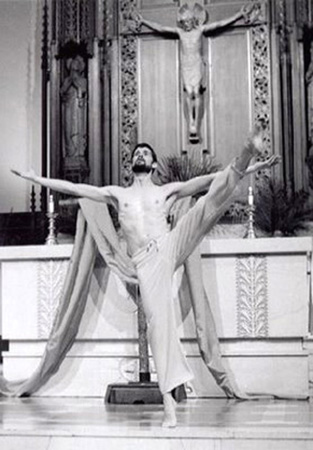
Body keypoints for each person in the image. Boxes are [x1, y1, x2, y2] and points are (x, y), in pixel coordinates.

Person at [12, 131, 280, 427]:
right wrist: (38, 180)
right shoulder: (117, 194)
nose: (140, 154)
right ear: (131, 164)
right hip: (146, 264)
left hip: (169, 245)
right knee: (158, 326)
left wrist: (249, 167)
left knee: (204, 204)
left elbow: (209, 181)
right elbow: (76, 187)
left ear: (153, 165)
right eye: (137, 152)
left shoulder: (166, 191)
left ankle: (245, 150)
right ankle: (168, 401)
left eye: (145, 153)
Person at [132, 3, 255, 142]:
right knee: (188, 92)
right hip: (186, 65)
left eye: (189, 21)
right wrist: (144, 21)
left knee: (196, 91)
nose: (187, 24)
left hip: (196, 64)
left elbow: (219, 24)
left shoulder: (200, 30)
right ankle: (191, 119)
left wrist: (238, 15)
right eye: (184, 22)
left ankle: (195, 124)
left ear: (194, 20)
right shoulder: (180, 33)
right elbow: (161, 28)